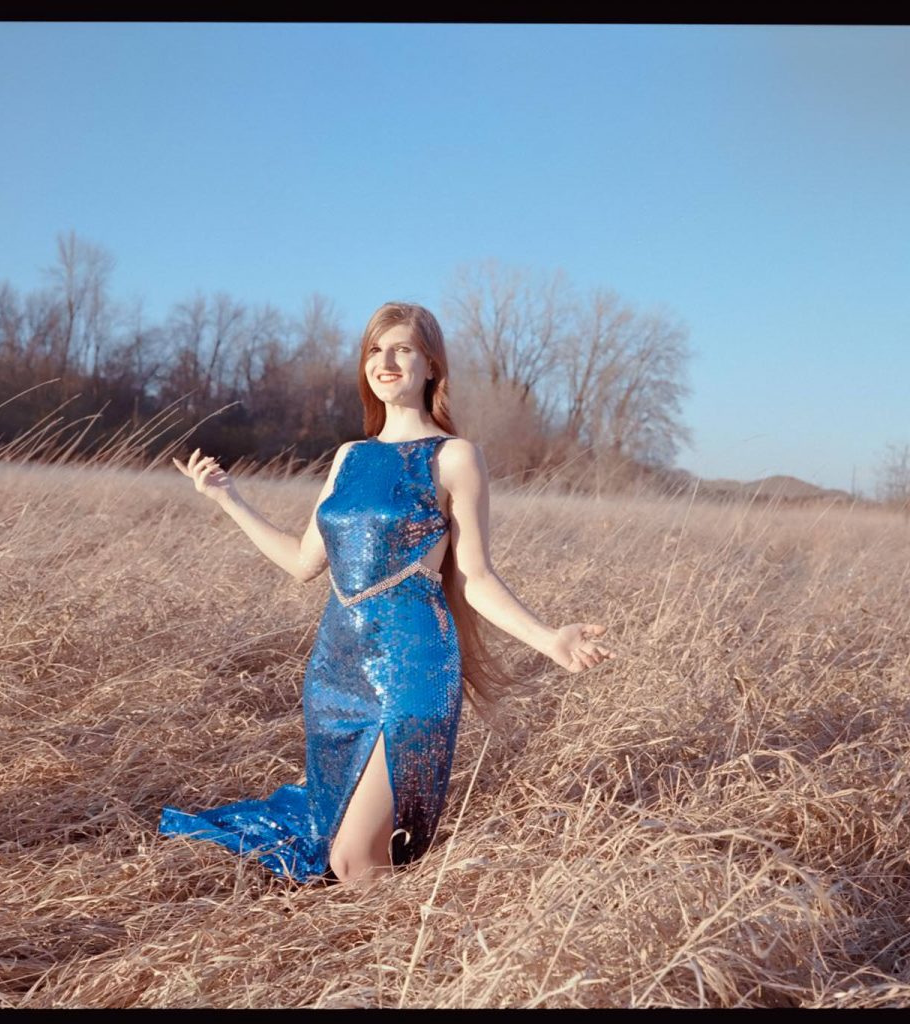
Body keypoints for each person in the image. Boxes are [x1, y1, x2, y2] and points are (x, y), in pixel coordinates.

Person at [158, 301, 615, 885]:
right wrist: (229, 500)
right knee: (337, 851)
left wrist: (549, 638)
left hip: (411, 666)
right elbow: (304, 563)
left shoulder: (454, 457)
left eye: (402, 349)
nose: (387, 361)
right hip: (335, 668)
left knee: (354, 861)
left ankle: (426, 959)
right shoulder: (350, 456)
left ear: (431, 365)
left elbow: (474, 577)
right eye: (375, 349)